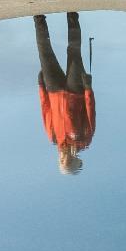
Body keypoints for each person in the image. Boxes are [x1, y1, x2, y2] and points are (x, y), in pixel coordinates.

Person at [34, 12, 95, 175]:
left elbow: (45, 110)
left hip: (53, 91)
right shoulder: (85, 139)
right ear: (74, 160)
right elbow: (90, 112)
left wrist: (41, 87)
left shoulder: (53, 137)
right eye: (66, 162)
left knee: (44, 52)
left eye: (61, 162)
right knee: (74, 52)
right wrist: (88, 88)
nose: (63, 159)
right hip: (76, 92)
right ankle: (72, 14)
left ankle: (38, 17)